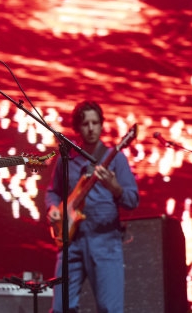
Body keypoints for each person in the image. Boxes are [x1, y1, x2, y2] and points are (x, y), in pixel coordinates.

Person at [46, 101, 139, 313]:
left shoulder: (116, 159)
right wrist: (53, 208)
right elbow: (53, 192)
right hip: (72, 241)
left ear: (101, 125)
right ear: (77, 128)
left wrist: (115, 187)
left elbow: (132, 200)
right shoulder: (66, 160)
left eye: (95, 123)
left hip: (105, 240)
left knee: (110, 308)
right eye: (85, 123)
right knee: (61, 308)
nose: (91, 128)